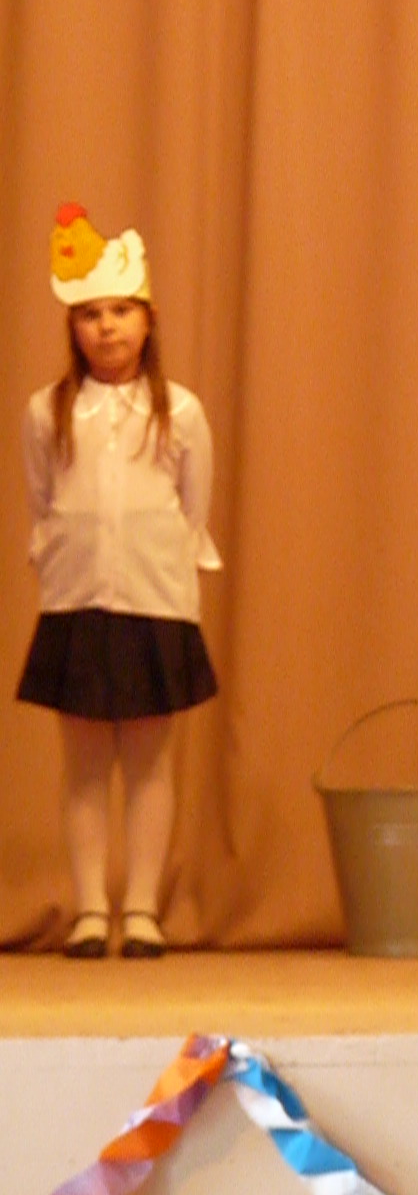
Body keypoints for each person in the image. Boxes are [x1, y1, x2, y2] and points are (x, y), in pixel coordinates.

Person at [20, 205, 222, 960]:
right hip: (77, 602)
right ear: (74, 326)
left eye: (121, 311)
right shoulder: (48, 411)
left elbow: (193, 508)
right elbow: (42, 500)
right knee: (83, 768)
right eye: (90, 314)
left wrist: (161, 564)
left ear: (148, 319)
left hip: (154, 602)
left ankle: (140, 910)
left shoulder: (182, 412)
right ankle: (88, 911)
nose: (106, 327)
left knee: (147, 763)